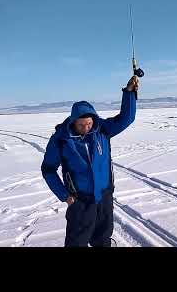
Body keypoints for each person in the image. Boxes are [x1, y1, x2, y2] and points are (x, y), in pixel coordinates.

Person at [41, 75, 139, 247]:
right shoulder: (61, 139)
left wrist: (129, 93)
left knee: (102, 240)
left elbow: (126, 119)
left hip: (104, 198)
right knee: (76, 242)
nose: (86, 128)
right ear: (73, 122)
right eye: (81, 125)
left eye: (89, 123)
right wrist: (64, 195)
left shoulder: (101, 130)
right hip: (80, 201)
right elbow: (48, 170)